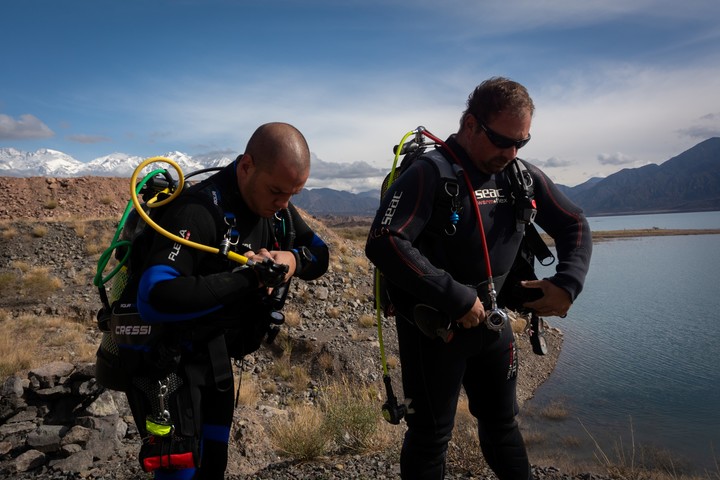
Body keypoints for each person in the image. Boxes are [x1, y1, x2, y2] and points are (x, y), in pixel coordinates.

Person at [365, 77, 592, 479]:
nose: (511, 152)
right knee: (430, 436)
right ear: (471, 125)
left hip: (492, 324)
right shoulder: (429, 174)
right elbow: (385, 242)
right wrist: (456, 299)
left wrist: (568, 282)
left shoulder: (519, 175)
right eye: (502, 140)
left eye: (521, 143)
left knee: (503, 427)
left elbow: (574, 223)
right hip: (433, 331)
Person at [127, 122, 329, 479]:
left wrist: (291, 260)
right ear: (247, 166)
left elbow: (319, 253)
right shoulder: (198, 211)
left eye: (293, 194)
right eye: (277, 191)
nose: (284, 203)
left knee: (213, 465)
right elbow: (154, 297)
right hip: (168, 366)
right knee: (180, 473)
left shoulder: (277, 208)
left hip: (215, 361)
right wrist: (249, 278)